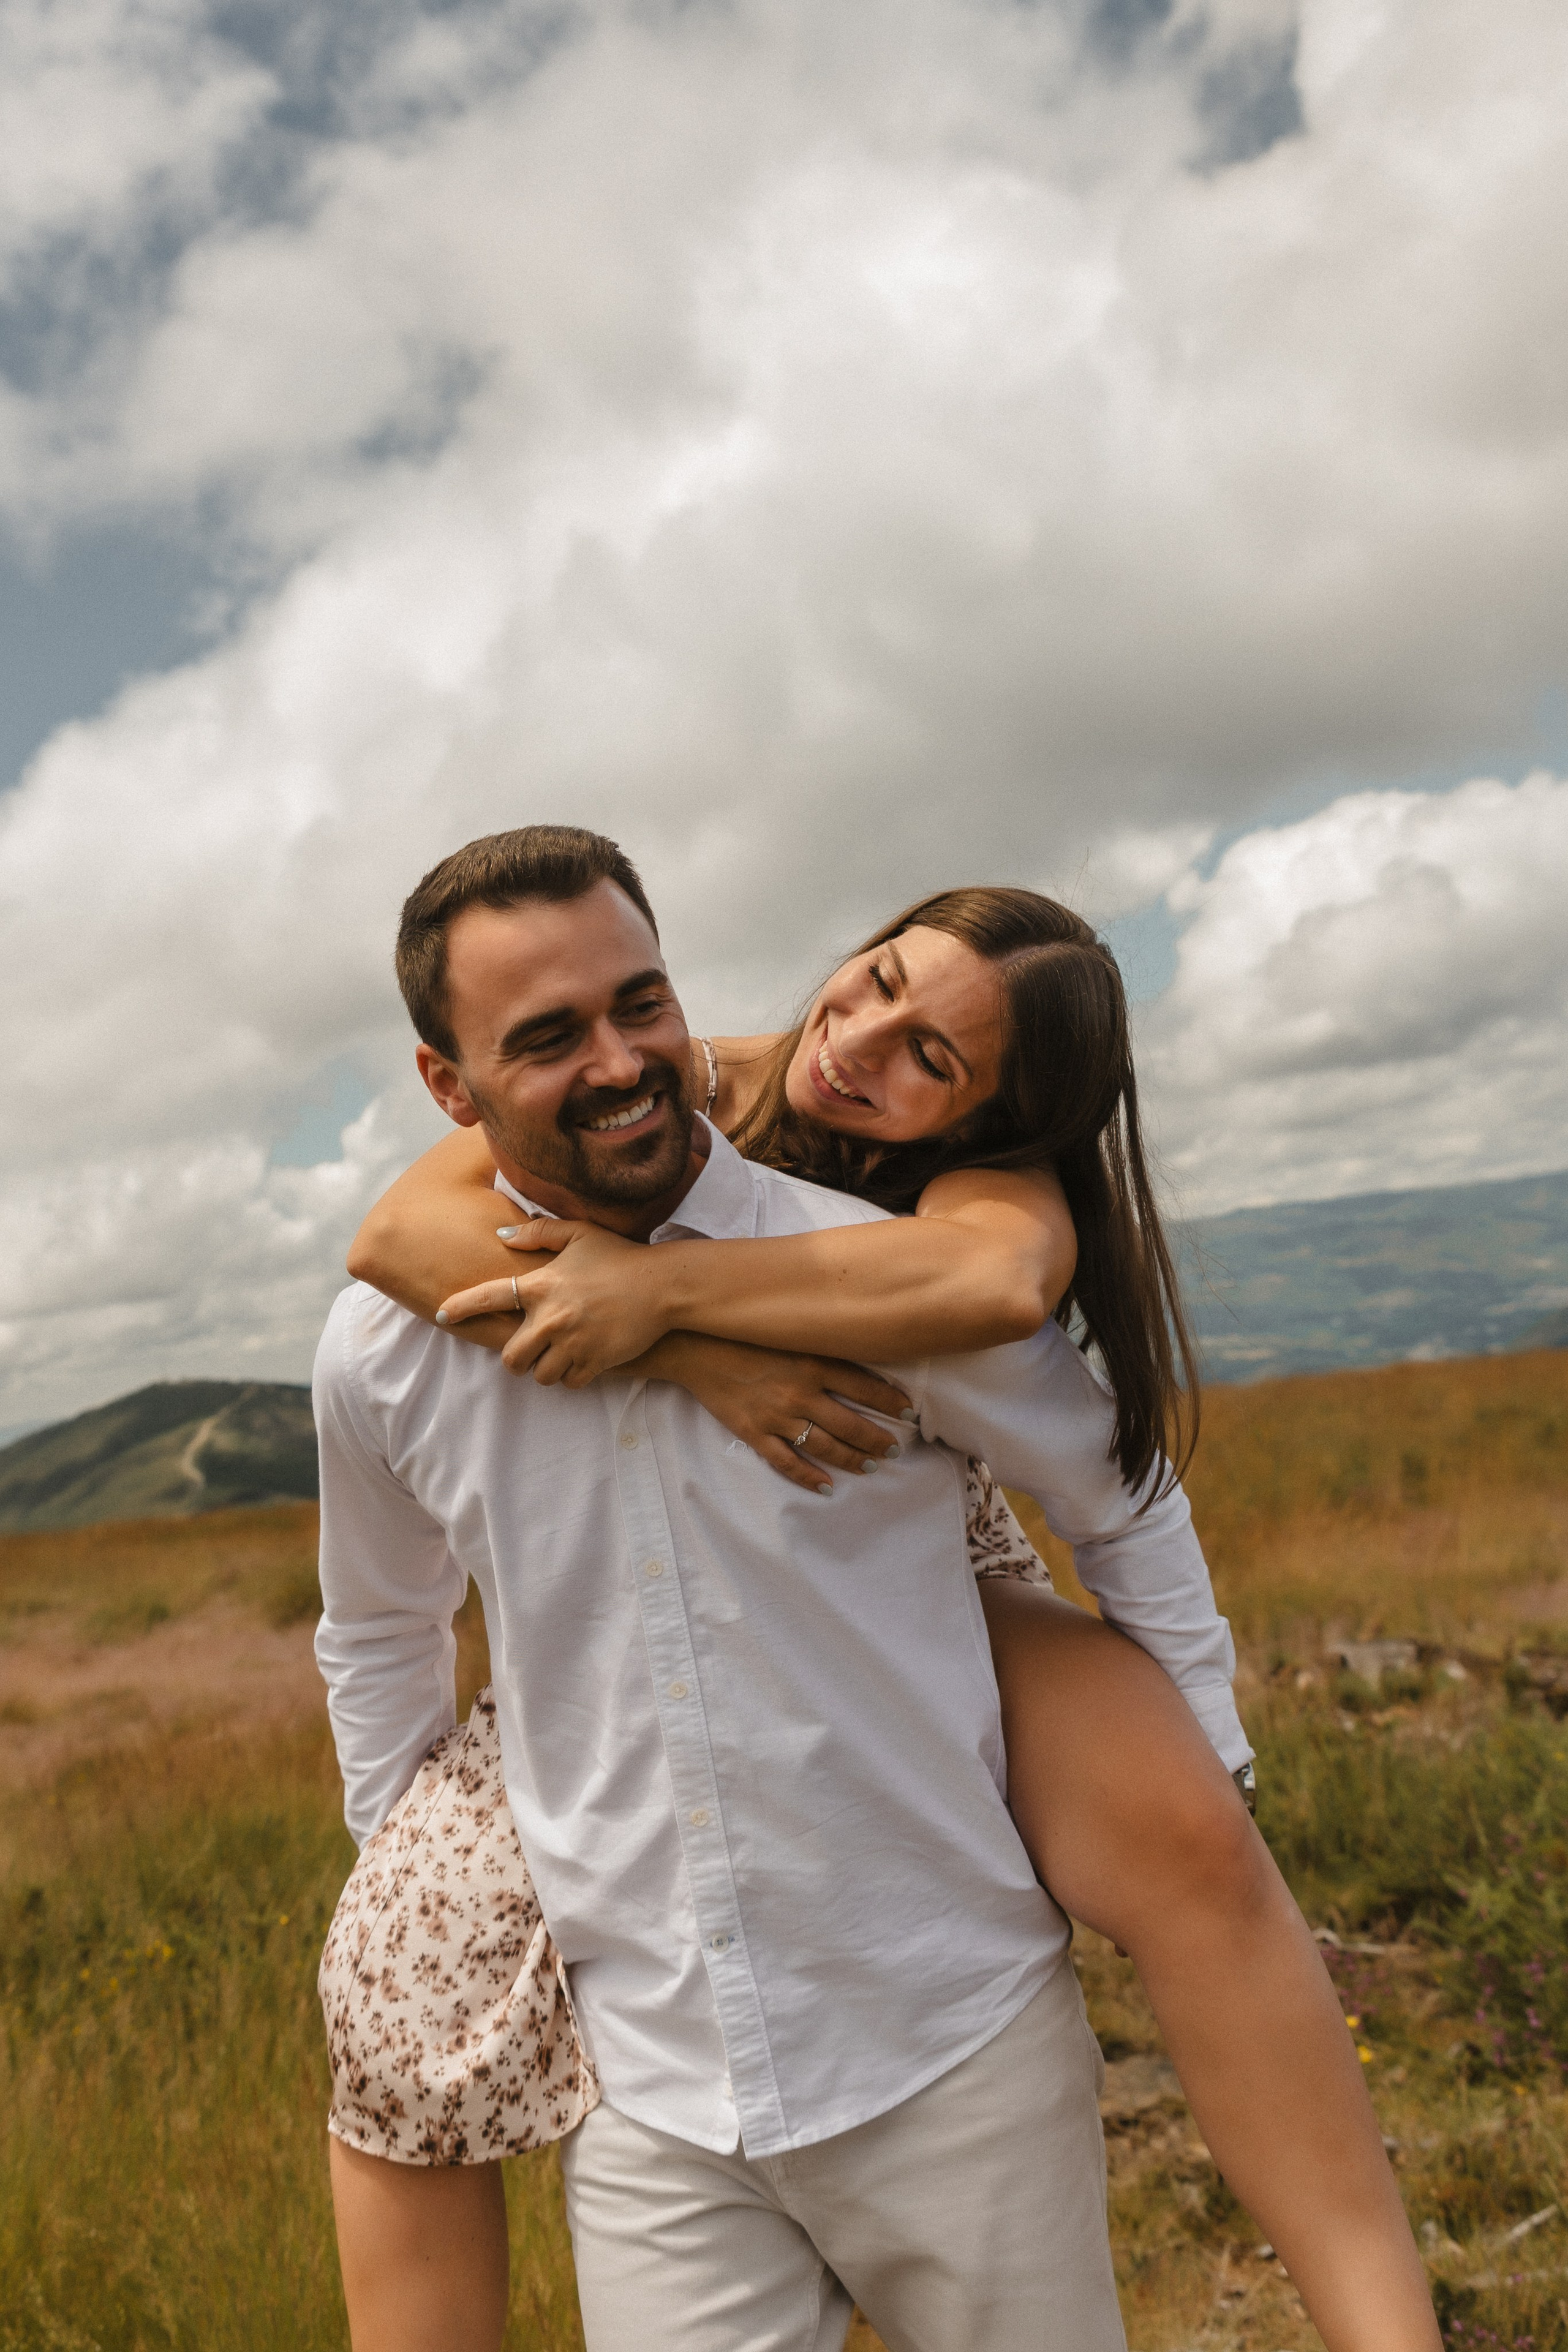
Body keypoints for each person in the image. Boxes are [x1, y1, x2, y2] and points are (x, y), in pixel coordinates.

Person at [317, 826, 1437, 2352]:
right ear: (450, 1085)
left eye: (932, 1063)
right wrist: (396, 1841)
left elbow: (1089, 1457)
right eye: (546, 1033)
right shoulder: (422, 1312)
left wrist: (1204, 1740)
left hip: (939, 1997)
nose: (859, 1053)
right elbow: (379, 1580)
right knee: (395, 1984)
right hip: (662, 2096)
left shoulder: (927, 1249)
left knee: (1190, 1845)